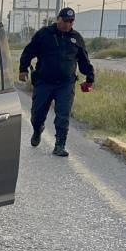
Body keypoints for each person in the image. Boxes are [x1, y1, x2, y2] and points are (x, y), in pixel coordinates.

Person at [19, 8, 95, 157]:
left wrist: (90, 78)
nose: (68, 24)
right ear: (58, 19)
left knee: (63, 115)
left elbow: (84, 61)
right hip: (44, 82)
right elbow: (28, 52)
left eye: (71, 21)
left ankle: (60, 145)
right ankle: (37, 129)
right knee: (37, 114)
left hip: (65, 85)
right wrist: (23, 69)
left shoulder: (76, 38)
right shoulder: (44, 34)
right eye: (65, 21)